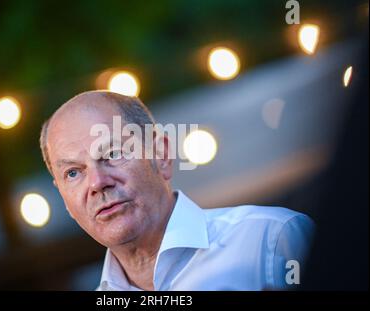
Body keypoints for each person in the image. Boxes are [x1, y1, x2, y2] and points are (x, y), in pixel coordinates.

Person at [39, 90, 315, 291]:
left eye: (113, 152)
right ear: (63, 195)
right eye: (73, 173)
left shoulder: (270, 241)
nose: (98, 182)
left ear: (161, 153)